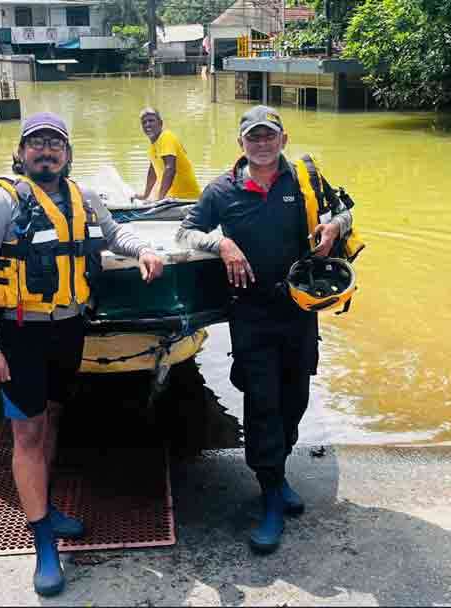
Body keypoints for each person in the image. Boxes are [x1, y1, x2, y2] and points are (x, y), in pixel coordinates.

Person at [0, 112, 165, 597]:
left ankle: (46, 509)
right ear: (20, 154)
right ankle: (43, 545)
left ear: (68, 155)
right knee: (28, 432)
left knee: (50, 418)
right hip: (20, 335)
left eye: (55, 144)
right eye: (36, 144)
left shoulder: (83, 197)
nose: (46, 151)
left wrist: (143, 250)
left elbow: (115, 233)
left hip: (68, 329)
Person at [176, 105, 353, 554]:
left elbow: (348, 212)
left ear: (283, 139)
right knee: (262, 403)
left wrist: (333, 224)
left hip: (299, 308)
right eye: (253, 137)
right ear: (241, 144)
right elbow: (185, 233)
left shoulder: (305, 181)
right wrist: (223, 243)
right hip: (251, 315)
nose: (261, 143)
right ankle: (270, 494)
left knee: (296, 398)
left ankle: (278, 472)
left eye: (268, 136)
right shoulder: (222, 190)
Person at [133, 108, 202, 202]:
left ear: (160, 123)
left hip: (186, 199)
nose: (147, 124)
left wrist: (159, 199)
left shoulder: (166, 137)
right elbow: (152, 172)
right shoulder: (153, 145)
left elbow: (170, 168)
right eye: (144, 122)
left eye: (151, 120)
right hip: (171, 198)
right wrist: (146, 195)